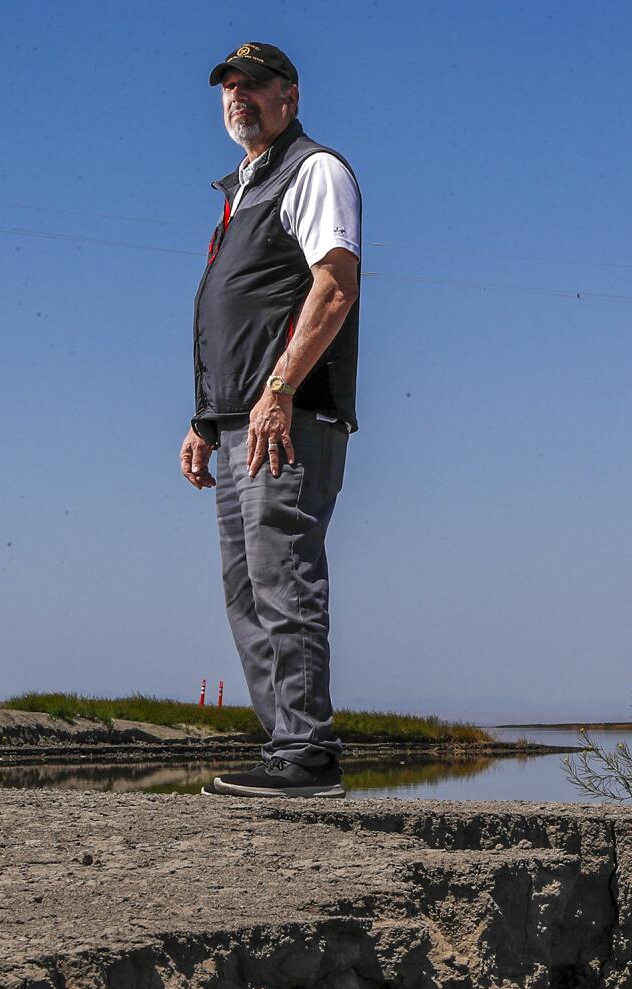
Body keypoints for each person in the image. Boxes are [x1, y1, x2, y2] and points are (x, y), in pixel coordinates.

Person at [180, 42, 362, 798]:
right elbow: (231, 318)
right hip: (237, 425)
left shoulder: (314, 170)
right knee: (247, 588)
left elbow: (334, 286)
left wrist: (281, 387)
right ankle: (285, 746)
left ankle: (309, 753)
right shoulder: (242, 189)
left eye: (252, 86)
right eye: (228, 87)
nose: (237, 98)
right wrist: (203, 419)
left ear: (290, 95)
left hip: (286, 418)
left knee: (284, 577)